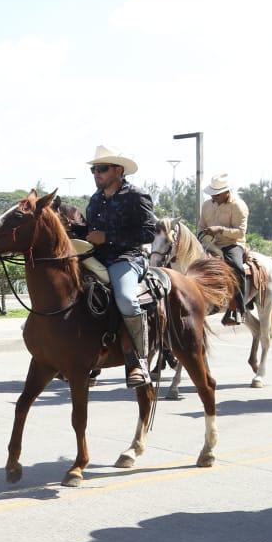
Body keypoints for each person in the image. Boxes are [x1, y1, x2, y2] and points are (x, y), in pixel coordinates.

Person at [71, 145, 157, 388]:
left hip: (127, 258)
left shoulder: (136, 196)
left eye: (102, 169)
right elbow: (91, 232)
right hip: (96, 257)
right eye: (94, 170)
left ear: (118, 170)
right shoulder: (96, 199)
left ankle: (138, 361)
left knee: (127, 299)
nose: (96, 173)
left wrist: (107, 237)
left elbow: (149, 232)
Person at [199, 174, 251, 326]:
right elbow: (201, 225)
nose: (213, 197)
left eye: (216, 194)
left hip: (232, 244)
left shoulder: (238, 206)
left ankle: (239, 308)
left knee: (236, 266)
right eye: (212, 194)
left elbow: (240, 232)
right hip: (209, 243)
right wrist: (203, 234)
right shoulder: (207, 205)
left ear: (226, 192)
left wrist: (220, 229)